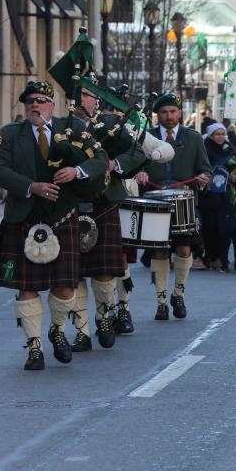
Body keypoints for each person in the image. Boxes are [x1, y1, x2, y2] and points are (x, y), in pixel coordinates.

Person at [0, 81, 110, 370]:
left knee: (66, 286)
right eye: (30, 100)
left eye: (42, 100)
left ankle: (57, 330)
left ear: (52, 106)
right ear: (25, 105)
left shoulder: (72, 129)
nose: (35, 105)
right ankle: (34, 347)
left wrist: (77, 170)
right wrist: (31, 186)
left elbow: (101, 159)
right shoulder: (9, 135)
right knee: (26, 287)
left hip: (62, 216)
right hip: (24, 216)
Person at [68, 73, 146, 351]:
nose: (80, 100)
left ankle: (104, 318)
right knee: (73, 273)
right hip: (70, 206)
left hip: (104, 203)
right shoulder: (60, 126)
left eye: (86, 95)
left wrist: (114, 164)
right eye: (77, 95)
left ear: (95, 99)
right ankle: (81, 331)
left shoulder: (110, 124)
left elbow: (137, 153)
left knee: (103, 271)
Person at [133, 94, 212, 320]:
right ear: (158, 115)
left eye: (173, 112)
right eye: (165, 112)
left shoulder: (194, 138)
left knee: (184, 249)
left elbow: (206, 169)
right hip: (154, 201)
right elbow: (134, 165)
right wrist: (139, 172)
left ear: (180, 113)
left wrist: (203, 177)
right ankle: (160, 301)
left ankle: (178, 294)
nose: (169, 116)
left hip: (184, 201)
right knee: (159, 250)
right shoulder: (145, 137)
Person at [200, 122, 236, 269]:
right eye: (217, 134)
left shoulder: (228, 148)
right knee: (209, 226)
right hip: (208, 193)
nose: (220, 137)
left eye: (222, 134)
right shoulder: (204, 147)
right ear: (211, 135)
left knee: (222, 226)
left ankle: (221, 258)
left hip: (224, 193)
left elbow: (235, 164)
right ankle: (210, 256)